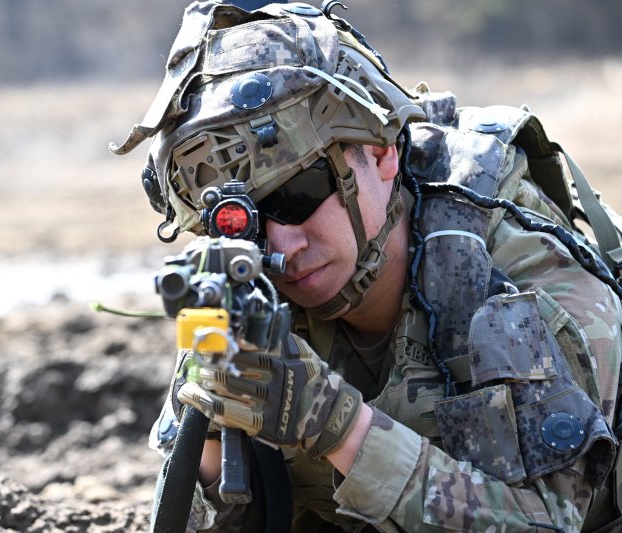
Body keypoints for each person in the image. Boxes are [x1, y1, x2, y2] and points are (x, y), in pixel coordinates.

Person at [110, 1, 622, 531]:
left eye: (298, 194)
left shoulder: (520, 279)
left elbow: (553, 524)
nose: (283, 243)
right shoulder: (250, 297)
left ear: (380, 153)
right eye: (250, 222)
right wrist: (215, 440)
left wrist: (335, 424)